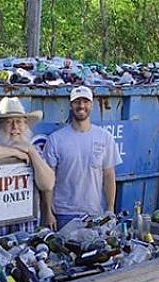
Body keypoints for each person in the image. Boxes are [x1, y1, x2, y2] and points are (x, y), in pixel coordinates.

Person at [0, 96, 56, 231]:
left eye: (19, 122)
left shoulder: (34, 150)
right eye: (9, 122)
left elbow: (48, 183)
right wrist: (15, 152)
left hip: (27, 228)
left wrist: (30, 151)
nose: (15, 127)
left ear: (26, 125)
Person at [43, 86, 123, 230]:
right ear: (70, 105)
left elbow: (109, 176)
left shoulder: (105, 138)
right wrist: (48, 212)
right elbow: (48, 180)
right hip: (63, 215)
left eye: (85, 102)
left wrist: (110, 209)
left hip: (94, 214)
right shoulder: (55, 139)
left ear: (91, 105)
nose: (81, 106)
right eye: (77, 102)